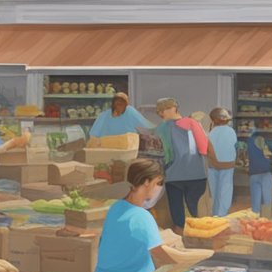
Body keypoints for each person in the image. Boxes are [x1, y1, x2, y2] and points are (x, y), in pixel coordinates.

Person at [153, 97, 208, 231]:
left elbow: (157, 154)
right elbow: (203, 148)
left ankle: (179, 241)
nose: (161, 114)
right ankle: (196, 240)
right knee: (196, 213)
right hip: (196, 175)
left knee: (177, 214)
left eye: (162, 111)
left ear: (172, 108)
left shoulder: (160, 129)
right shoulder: (192, 123)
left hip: (173, 176)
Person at [206, 107, 236, 217]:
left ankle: (214, 213)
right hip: (228, 165)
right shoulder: (231, 132)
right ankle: (222, 213)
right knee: (226, 188)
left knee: (214, 190)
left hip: (213, 165)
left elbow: (207, 149)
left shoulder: (211, 132)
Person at [88, 92, 154, 138]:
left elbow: (148, 126)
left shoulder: (129, 111)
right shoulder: (103, 116)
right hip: (107, 148)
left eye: (122, 104)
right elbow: (93, 135)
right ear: (113, 105)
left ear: (126, 105)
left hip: (127, 148)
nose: (119, 107)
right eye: (117, 104)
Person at [246, 128, 272, 217]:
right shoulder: (264, 141)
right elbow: (271, 153)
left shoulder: (249, 142)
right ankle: (266, 218)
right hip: (266, 173)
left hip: (253, 173)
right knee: (267, 199)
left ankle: (255, 218)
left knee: (255, 200)